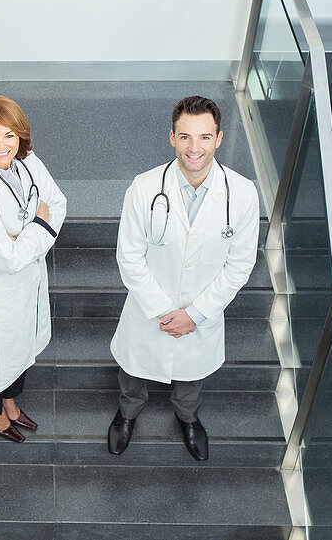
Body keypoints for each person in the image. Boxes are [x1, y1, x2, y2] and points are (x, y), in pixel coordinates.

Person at [108, 96, 259, 461]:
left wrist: (195, 314)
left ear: (219, 139)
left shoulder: (241, 194)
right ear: (171, 137)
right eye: (186, 137)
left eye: (205, 137)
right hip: (150, 310)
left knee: (191, 378)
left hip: (200, 317)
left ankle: (188, 419)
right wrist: (164, 310)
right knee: (133, 373)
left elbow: (239, 266)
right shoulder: (145, 188)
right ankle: (127, 414)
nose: (195, 147)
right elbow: (129, 257)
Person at [0, 96, 66, 443]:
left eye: (9, 135)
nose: (2, 145)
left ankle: (10, 401)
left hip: (29, 280)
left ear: (20, 136)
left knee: (19, 348)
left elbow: (59, 203)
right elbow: (7, 258)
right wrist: (38, 225)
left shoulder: (29, 162)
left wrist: (22, 238)